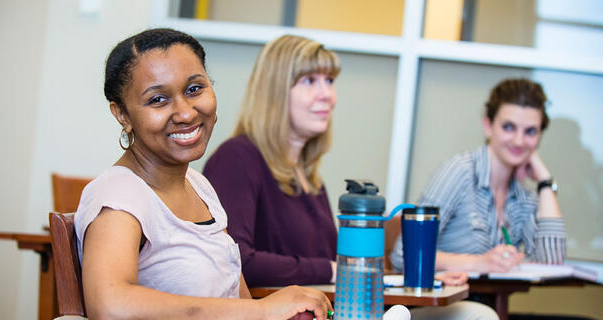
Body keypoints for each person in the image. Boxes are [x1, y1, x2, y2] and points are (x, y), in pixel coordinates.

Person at [204, 34, 498, 320]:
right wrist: (333, 270)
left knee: (475, 314)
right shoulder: (237, 158)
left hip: (331, 308)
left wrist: (418, 280)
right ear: (275, 91)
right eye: (310, 81)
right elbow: (238, 260)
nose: (327, 95)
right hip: (290, 313)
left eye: (329, 81)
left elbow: (336, 260)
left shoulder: (308, 175)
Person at [74, 28, 332, 320]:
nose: (185, 113)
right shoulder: (119, 194)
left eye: (194, 89)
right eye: (158, 99)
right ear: (122, 115)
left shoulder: (199, 187)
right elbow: (109, 305)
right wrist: (262, 309)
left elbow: (239, 302)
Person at [391, 78, 566, 274]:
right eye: (508, 127)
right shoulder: (459, 172)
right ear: (488, 126)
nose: (518, 141)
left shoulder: (522, 197)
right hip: (444, 300)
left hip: (491, 302)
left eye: (530, 132)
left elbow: (551, 265)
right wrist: (478, 263)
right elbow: (404, 254)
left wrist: (544, 182)